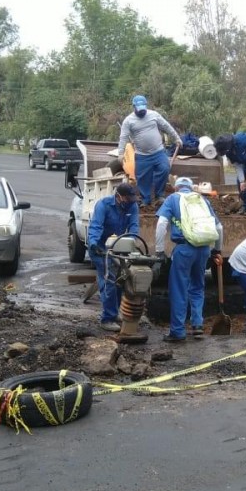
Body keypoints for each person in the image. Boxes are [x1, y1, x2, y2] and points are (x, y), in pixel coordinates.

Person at [155, 177, 224, 342]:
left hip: (184, 249)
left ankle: (178, 331)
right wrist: (217, 250)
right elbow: (219, 227)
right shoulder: (202, 200)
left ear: (176, 187)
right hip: (203, 250)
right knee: (197, 287)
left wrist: (159, 251)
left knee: (179, 288)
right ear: (191, 188)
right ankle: (198, 326)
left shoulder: (172, 199)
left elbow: (161, 224)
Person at [87, 183, 141, 331]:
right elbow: (96, 226)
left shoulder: (132, 206)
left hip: (118, 246)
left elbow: (134, 226)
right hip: (100, 247)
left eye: (132, 198)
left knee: (119, 281)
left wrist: (132, 242)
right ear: (119, 196)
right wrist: (93, 243)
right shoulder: (103, 205)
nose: (131, 200)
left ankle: (114, 312)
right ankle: (107, 319)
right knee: (109, 280)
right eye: (128, 198)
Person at [118, 95, 183, 206]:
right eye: (139, 109)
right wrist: (120, 153)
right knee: (143, 178)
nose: (142, 111)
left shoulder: (154, 115)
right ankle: (145, 199)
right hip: (142, 155)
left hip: (158, 152)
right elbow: (123, 137)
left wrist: (176, 138)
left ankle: (159, 196)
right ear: (134, 107)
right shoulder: (128, 121)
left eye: (143, 108)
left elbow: (166, 127)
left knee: (164, 169)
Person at [213, 132, 246, 215]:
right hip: (245, 163)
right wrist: (242, 181)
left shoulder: (242, 139)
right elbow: (237, 165)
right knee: (240, 183)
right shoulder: (229, 153)